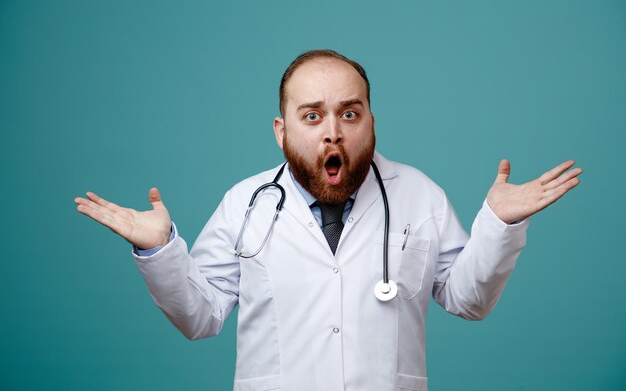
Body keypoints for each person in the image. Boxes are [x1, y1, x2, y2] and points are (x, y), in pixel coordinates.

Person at [75, 50, 582, 391]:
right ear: (282, 129)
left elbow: (468, 299)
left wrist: (498, 223)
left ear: (371, 122)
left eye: (350, 113)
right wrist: (158, 250)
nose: (333, 133)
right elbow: (199, 316)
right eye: (312, 115)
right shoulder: (244, 203)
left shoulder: (419, 194)